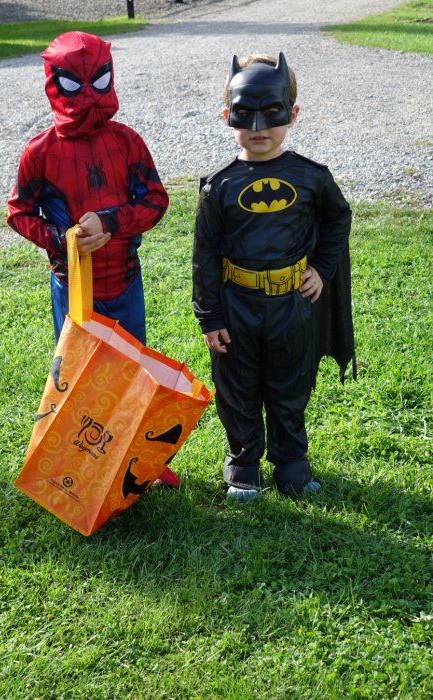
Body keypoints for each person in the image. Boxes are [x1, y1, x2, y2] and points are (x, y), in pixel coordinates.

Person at [7, 31, 179, 489]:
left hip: (123, 279)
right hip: (72, 284)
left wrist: (111, 221)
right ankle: (76, 464)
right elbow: (18, 210)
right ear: (53, 82)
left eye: (97, 81)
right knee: (76, 376)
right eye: (73, 84)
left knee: (134, 371)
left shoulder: (127, 143)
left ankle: (140, 459)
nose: (86, 97)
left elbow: (157, 200)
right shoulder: (40, 151)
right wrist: (60, 240)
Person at [192, 52, 355, 501]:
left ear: (293, 114)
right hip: (236, 303)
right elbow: (204, 253)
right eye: (245, 115)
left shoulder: (311, 178)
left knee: (290, 385)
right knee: (238, 387)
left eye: (272, 112)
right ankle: (243, 465)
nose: (259, 127)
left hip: (292, 305)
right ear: (227, 117)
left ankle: (291, 464)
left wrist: (322, 269)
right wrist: (209, 317)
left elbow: (339, 220)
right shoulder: (219, 186)